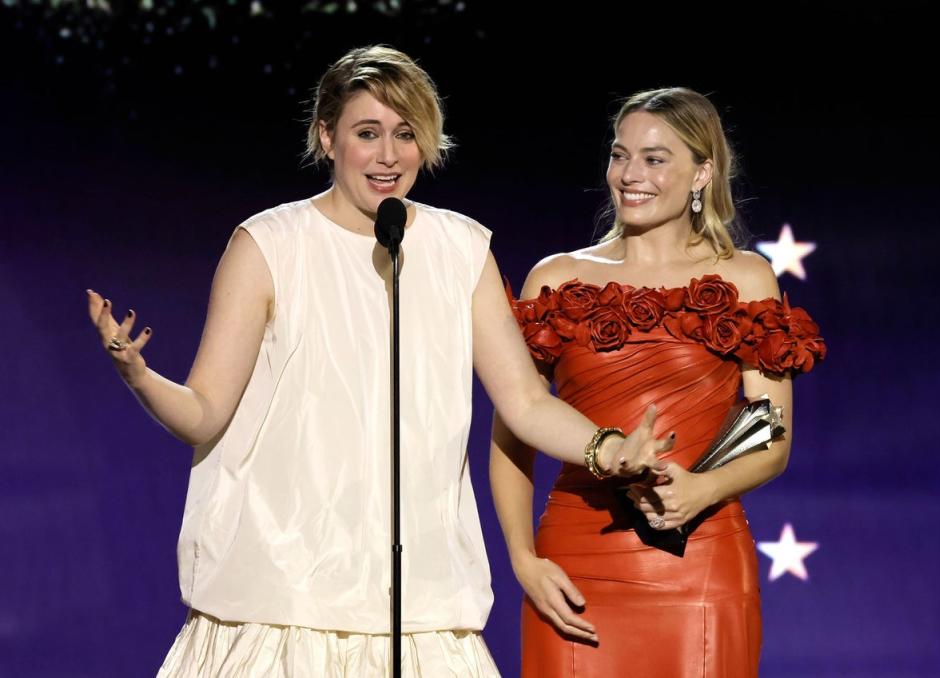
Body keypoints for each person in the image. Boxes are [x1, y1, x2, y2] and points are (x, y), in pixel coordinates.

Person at [86, 46, 671, 677]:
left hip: (418, 609)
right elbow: (203, 415)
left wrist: (608, 450)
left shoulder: (460, 247)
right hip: (283, 603)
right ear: (326, 136)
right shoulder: (270, 244)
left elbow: (525, 402)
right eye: (367, 134)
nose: (388, 156)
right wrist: (139, 376)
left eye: (406, 134)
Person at [490, 87, 826, 677]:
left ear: (703, 172)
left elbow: (771, 438)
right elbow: (513, 430)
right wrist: (522, 559)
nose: (629, 174)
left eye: (654, 158)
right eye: (620, 156)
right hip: (575, 562)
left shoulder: (745, 278)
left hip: (702, 564)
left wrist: (699, 490)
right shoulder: (557, 277)